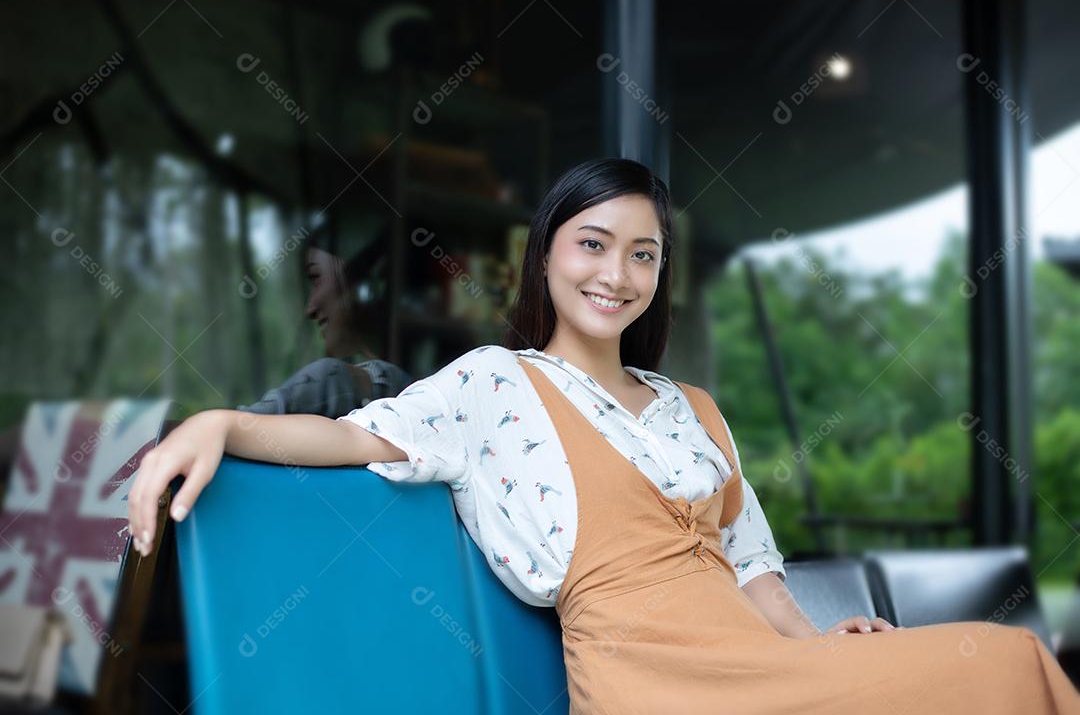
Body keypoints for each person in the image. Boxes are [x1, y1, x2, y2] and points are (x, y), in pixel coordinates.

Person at [128, 159, 1079, 713]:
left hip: (765, 665)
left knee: (1003, 664)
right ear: (547, 252)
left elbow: (756, 573)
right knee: (1003, 670)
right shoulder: (493, 385)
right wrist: (219, 421)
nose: (615, 272)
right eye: (592, 242)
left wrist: (830, 646)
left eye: (643, 253)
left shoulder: (695, 407)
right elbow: (350, 439)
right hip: (653, 682)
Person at [238, 226, 412, 418]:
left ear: (365, 288)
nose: (309, 309)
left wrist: (329, 380)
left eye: (316, 279)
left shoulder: (411, 396)